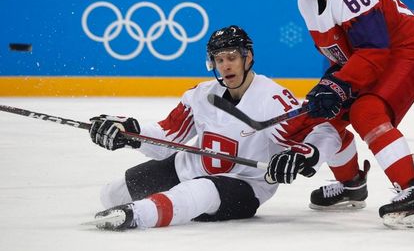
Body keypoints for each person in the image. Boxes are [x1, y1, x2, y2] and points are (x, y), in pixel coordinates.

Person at [89, 25, 342, 231]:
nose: (225, 65)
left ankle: (139, 216)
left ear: (248, 57)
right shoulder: (201, 94)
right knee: (112, 195)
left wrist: (303, 155)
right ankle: (149, 204)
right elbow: (167, 136)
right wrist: (129, 132)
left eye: (232, 57)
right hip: (186, 167)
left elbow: (326, 132)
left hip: (244, 185)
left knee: (198, 192)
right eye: (219, 59)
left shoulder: (272, 100)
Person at [290, 0, 414, 229]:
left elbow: (373, 51)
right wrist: (331, 85)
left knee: (366, 112)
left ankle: (413, 191)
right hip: (371, 59)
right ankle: (351, 184)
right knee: (320, 113)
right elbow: (341, 53)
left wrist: (340, 84)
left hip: (407, 53)